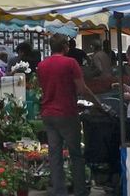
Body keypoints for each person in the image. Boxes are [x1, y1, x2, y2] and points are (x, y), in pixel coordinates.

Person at [37, 34, 103, 196]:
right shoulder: (70, 63)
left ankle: (59, 191)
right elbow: (82, 89)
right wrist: (97, 103)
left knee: (55, 155)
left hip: (48, 113)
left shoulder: (42, 65)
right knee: (75, 154)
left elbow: (44, 88)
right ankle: (80, 191)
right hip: (67, 112)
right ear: (65, 47)